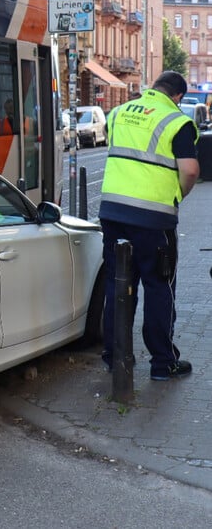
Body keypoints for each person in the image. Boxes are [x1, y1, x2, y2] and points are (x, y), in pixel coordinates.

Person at [99, 71, 200, 380]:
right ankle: (162, 363)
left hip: (113, 213)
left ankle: (115, 356)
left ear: (154, 88)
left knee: (117, 286)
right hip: (154, 219)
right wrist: (177, 194)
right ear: (178, 97)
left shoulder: (118, 113)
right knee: (159, 286)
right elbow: (191, 170)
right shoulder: (176, 121)